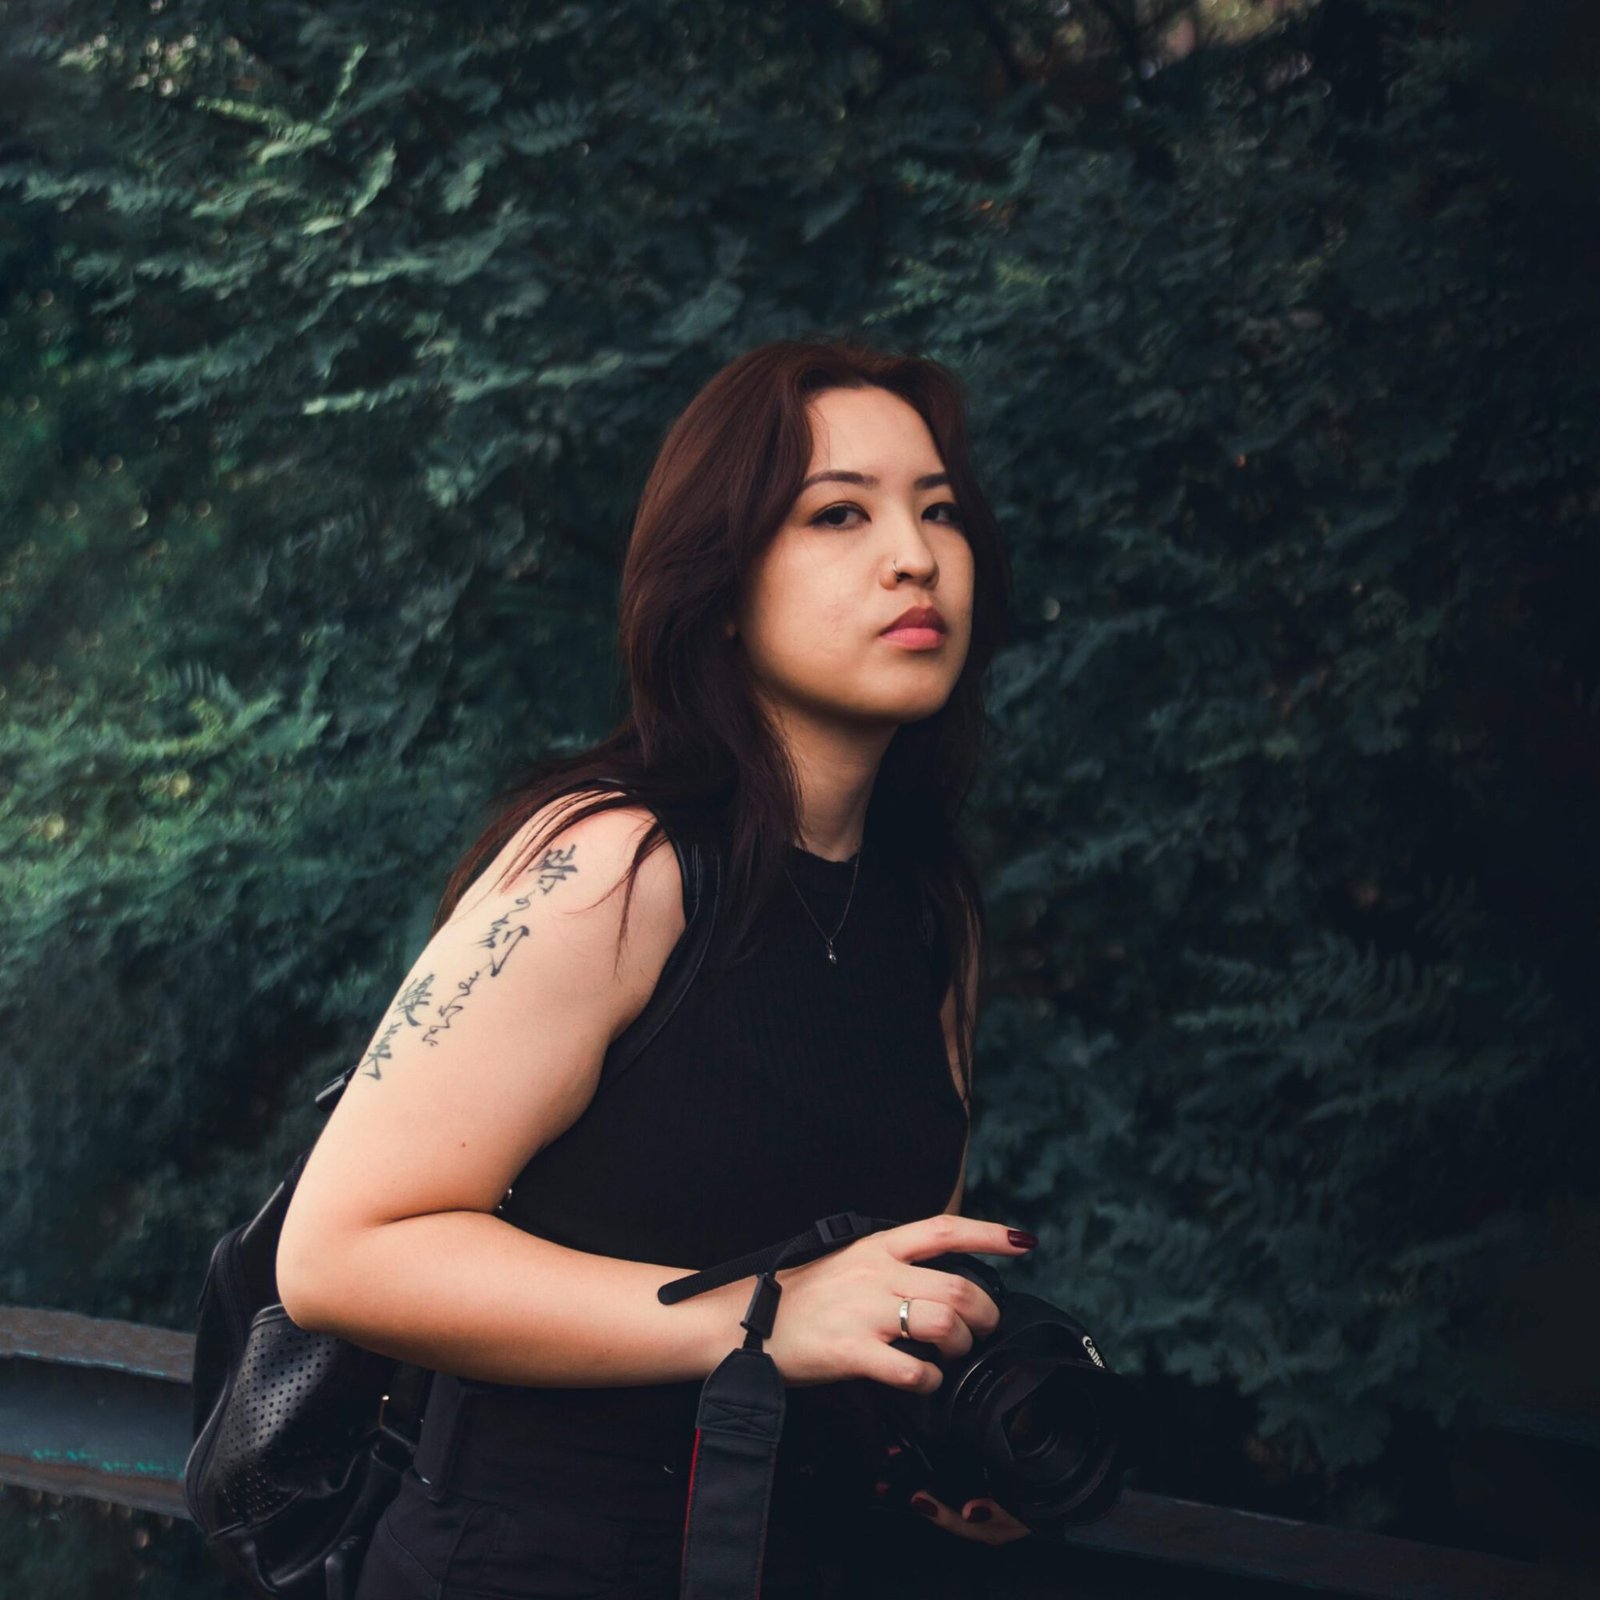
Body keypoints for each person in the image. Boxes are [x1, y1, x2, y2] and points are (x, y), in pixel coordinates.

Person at [275, 337, 1041, 1597]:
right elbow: (340, 1253)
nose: (914, 555)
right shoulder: (614, 866)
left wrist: (941, 1439)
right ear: (722, 584)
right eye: (837, 513)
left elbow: (857, 1297)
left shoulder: (927, 912)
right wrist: (764, 1316)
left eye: (939, 509)